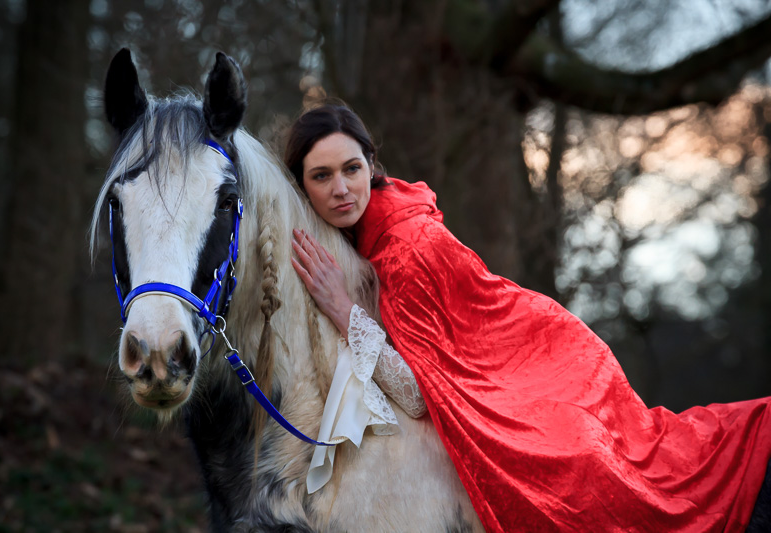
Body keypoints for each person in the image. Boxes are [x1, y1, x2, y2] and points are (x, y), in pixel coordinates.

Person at [284, 103, 771, 532]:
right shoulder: (374, 229)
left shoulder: (404, 251)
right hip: (538, 356)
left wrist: (344, 310)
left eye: (351, 168)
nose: (341, 189)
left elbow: (415, 395)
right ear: (302, 185)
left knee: (591, 483)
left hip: (540, 370)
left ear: (371, 165)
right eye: (321, 176)